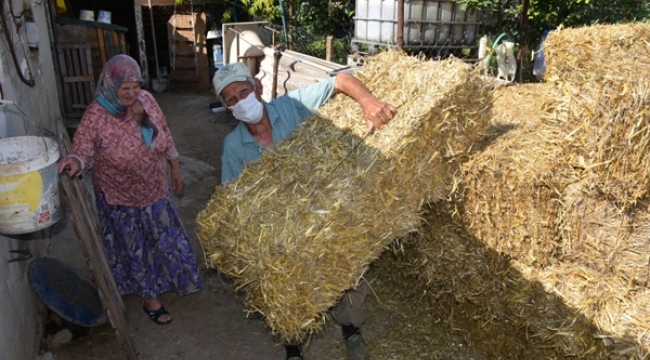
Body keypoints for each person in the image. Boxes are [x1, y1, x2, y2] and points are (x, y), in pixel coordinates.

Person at [213, 61, 397, 360]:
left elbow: (341, 80)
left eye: (243, 92)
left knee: (347, 269)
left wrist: (368, 102)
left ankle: (351, 329)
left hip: (323, 211)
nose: (240, 102)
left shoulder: (290, 107)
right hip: (279, 228)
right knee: (283, 285)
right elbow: (231, 202)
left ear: (257, 88)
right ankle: (293, 347)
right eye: (231, 99)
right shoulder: (234, 146)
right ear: (225, 107)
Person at [57, 54, 205, 326]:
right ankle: (150, 298)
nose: (132, 93)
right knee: (136, 249)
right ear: (110, 86)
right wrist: (74, 161)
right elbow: (83, 151)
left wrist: (174, 166)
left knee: (167, 239)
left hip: (155, 189)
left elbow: (164, 133)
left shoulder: (146, 100)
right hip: (120, 198)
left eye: (135, 86)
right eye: (125, 88)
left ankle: (177, 279)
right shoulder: (96, 115)